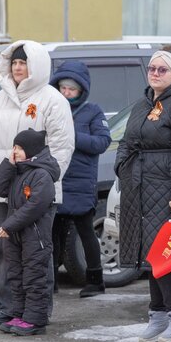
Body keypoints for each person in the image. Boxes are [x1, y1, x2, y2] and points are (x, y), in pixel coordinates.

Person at [0, 41, 73, 327]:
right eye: (14, 63)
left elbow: (61, 147)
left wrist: (44, 180)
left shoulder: (53, 100)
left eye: (24, 63)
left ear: (36, 66)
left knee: (36, 251)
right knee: (4, 249)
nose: (18, 68)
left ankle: (38, 310)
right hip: (3, 187)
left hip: (35, 193)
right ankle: (8, 306)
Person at [116, 45, 171, 342]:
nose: (155, 74)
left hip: (166, 189)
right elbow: (127, 141)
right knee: (150, 254)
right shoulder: (144, 103)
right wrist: (121, 168)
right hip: (140, 188)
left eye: (162, 69)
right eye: (152, 69)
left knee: (164, 254)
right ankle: (158, 315)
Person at [49, 61, 112, 298]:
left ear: (81, 90)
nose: (66, 93)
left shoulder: (92, 111)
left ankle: (96, 280)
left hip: (81, 182)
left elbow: (101, 142)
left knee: (86, 231)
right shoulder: (51, 108)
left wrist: (71, 136)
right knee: (53, 233)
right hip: (56, 179)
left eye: (71, 89)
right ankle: (50, 279)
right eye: (63, 88)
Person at [0, 129, 61, 335]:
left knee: (34, 277)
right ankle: (19, 313)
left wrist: (9, 225)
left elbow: (35, 206)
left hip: (34, 236)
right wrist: (8, 164)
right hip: (17, 236)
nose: (15, 151)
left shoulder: (41, 175)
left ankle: (35, 320)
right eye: (14, 147)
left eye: (19, 148)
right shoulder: (18, 170)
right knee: (16, 276)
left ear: (31, 150)